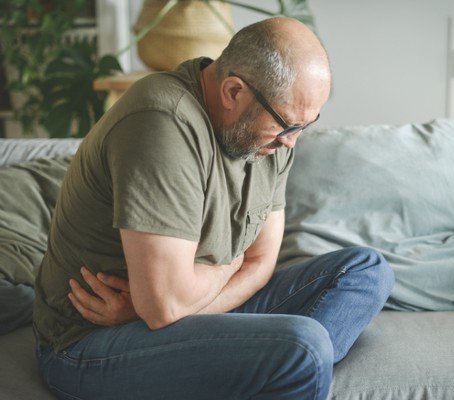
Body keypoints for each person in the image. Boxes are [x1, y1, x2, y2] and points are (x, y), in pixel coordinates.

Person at [33, 17, 394, 400]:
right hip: (90, 344)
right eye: (288, 126)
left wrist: (163, 304)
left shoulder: (272, 135)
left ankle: (276, 370)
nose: (292, 143)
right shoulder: (161, 121)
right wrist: (228, 268)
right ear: (233, 91)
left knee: (367, 271)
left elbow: (261, 263)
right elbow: (167, 304)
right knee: (304, 345)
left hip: (157, 314)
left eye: (307, 125)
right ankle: (287, 367)